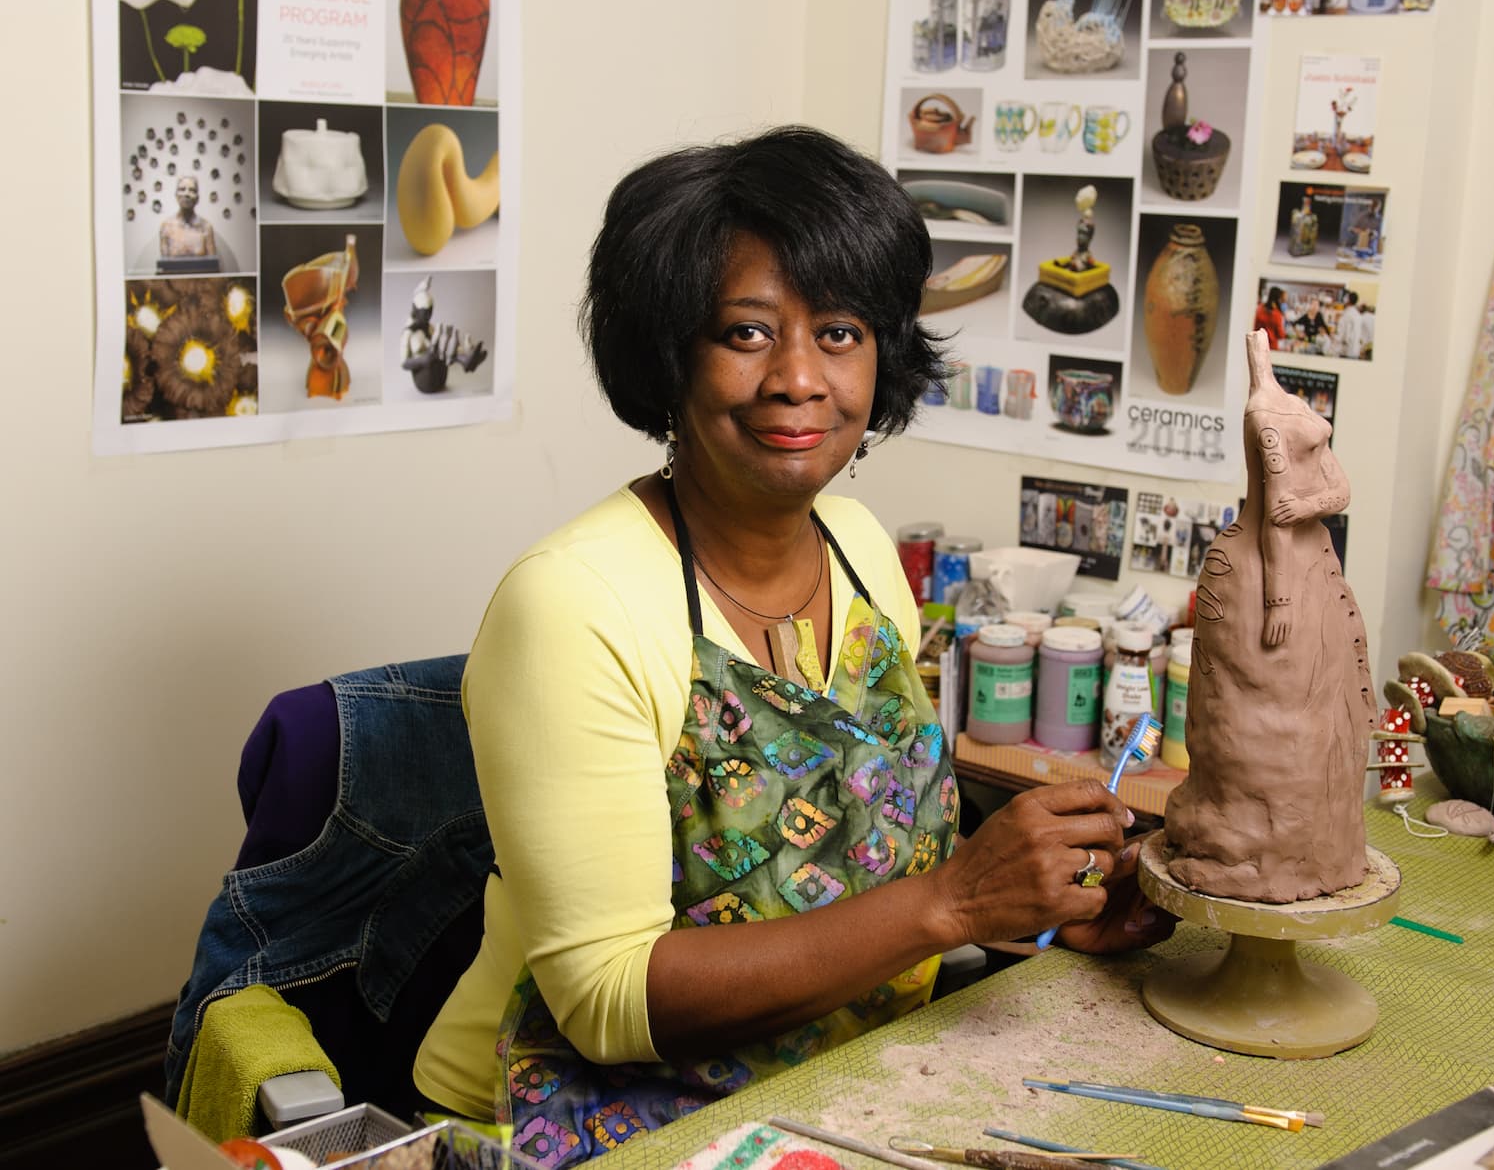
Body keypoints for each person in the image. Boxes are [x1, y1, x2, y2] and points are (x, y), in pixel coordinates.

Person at [412, 128, 1170, 1164]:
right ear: (667, 351)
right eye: (748, 332)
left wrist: (1034, 908)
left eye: (843, 331)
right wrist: (953, 902)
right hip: (604, 1118)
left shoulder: (859, 552)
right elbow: (606, 1002)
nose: (799, 379)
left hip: (846, 1076)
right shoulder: (574, 606)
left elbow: (870, 872)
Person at [1254, 284, 1286, 349]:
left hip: (1259, 344)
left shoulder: (1260, 309)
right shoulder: (1277, 314)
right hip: (1271, 346)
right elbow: (1280, 335)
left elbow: (1255, 327)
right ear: (1278, 298)